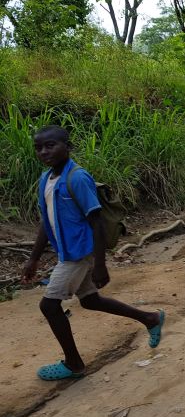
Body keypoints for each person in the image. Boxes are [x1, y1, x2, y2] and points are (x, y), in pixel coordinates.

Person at [20, 126, 165, 381]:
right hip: (68, 253)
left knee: (49, 306)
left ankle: (74, 364)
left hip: (80, 253)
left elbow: (96, 221)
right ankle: (150, 318)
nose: (44, 151)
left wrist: (100, 264)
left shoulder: (77, 178)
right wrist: (33, 258)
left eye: (50, 145)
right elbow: (46, 221)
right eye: (39, 147)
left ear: (68, 146)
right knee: (90, 300)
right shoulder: (46, 179)